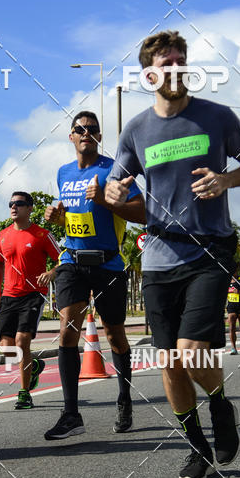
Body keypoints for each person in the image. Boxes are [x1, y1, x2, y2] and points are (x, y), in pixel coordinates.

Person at [106, 30, 240, 478]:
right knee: (169, 362)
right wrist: (115, 190)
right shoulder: (136, 129)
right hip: (158, 256)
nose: (175, 68)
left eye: (181, 60)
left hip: (210, 248)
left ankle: (219, 407)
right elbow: (119, 183)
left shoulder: (217, 116)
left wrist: (225, 180)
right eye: (165, 63)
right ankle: (198, 447)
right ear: (149, 73)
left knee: (191, 352)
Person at [43, 112, 144, 439]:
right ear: (71, 136)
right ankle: (71, 414)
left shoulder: (115, 170)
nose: (86, 133)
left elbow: (143, 212)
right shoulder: (63, 173)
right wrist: (58, 218)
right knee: (67, 330)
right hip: (72, 261)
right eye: (79, 129)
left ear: (99, 136)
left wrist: (105, 200)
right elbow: (74, 218)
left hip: (108, 264)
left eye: (92, 130)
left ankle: (125, 399)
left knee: (114, 334)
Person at [0, 192, 60, 409]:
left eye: (19, 203)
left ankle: (24, 393)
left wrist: (51, 273)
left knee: (22, 342)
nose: (14, 207)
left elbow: (64, 258)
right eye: (11, 203)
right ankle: (35, 365)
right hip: (8, 296)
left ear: (30, 208)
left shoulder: (42, 235)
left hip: (33, 295)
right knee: (7, 349)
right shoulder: (2, 236)